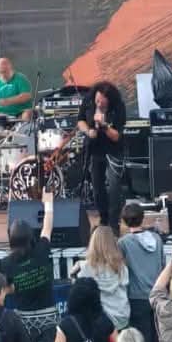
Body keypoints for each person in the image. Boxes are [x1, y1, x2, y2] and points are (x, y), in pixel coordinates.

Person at [3, 202, 61, 342]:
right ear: (30, 236)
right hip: (48, 316)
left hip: (24, 319)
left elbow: (7, 290)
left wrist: (22, 284)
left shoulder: (7, 262)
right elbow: (47, 227)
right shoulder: (41, 250)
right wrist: (48, 203)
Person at [77, 80, 127, 230]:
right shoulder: (89, 101)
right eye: (97, 100)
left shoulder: (118, 107)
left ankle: (114, 222)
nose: (99, 104)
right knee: (97, 186)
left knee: (114, 186)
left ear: (109, 101)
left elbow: (116, 136)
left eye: (102, 102)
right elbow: (80, 120)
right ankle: (103, 219)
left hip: (113, 150)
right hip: (95, 149)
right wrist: (88, 131)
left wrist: (104, 126)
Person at [117, 202, 166, 342]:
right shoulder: (157, 239)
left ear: (124, 221)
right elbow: (163, 265)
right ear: (143, 218)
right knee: (159, 340)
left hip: (136, 298)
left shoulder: (123, 243)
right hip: (158, 295)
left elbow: (120, 270)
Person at [77, 224, 131, 332]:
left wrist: (79, 265)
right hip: (121, 318)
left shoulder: (86, 268)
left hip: (98, 321)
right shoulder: (122, 267)